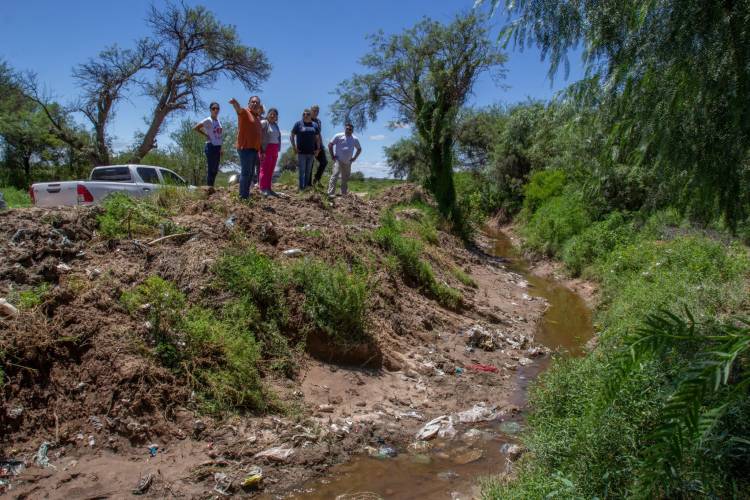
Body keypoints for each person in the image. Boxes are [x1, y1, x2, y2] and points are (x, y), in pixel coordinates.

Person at [229, 95, 263, 200]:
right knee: (246, 172)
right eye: (253, 102)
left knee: (251, 173)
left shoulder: (257, 117)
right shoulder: (245, 112)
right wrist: (235, 103)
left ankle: (246, 195)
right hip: (245, 148)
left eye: (257, 102)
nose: (255, 104)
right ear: (249, 103)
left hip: (254, 149)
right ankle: (242, 197)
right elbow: (238, 110)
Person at [327, 122, 362, 198]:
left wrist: (354, 158)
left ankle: (343, 194)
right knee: (335, 175)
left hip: (348, 162)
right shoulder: (338, 136)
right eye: (347, 129)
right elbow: (330, 145)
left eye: (350, 129)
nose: (348, 130)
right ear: (344, 129)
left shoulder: (355, 139)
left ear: (352, 130)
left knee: (345, 178)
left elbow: (359, 149)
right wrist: (332, 156)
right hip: (338, 160)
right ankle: (330, 193)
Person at [193, 102, 222, 187]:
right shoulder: (208, 120)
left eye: (217, 108)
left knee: (215, 169)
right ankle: (209, 188)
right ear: (210, 110)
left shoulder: (218, 121)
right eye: (213, 108)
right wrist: (206, 135)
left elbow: (219, 135)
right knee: (211, 168)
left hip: (218, 146)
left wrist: (221, 148)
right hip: (210, 145)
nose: (215, 110)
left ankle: (211, 186)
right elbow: (195, 128)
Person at [290, 109, 321, 191]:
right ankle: (301, 188)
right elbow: (292, 135)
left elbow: (318, 138)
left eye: (307, 114)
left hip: (311, 153)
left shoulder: (314, 125)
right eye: (303, 114)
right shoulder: (298, 124)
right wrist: (294, 147)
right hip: (301, 152)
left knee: (308, 171)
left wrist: (318, 149)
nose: (305, 115)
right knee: (302, 171)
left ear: (310, 115)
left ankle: (306, 188)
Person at [259, 108, 281, 196]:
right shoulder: (264, 123)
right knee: (264, 169)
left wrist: (278, 148)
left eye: (274, 115)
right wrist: (261, 150)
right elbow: (258, 133)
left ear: (276, 117)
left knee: (271, 170)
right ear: (267, 115)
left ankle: (269, 188)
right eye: (271, 114)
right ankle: (263, 188)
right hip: (265, 148)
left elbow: (278, 138)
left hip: (274, 149)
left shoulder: (276, 125)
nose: (272, 116)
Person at [310, 105, 327, 186]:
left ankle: (316, 179)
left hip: (319, 145)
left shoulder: (319, 121)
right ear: (311, 110)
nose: (316, 112)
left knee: (324, 162)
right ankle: (308, 184)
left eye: (317, 111)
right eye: (314, 110)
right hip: (309, 145)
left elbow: (319, 134)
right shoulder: (307, 119)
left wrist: (320, 146)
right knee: (310, 164)